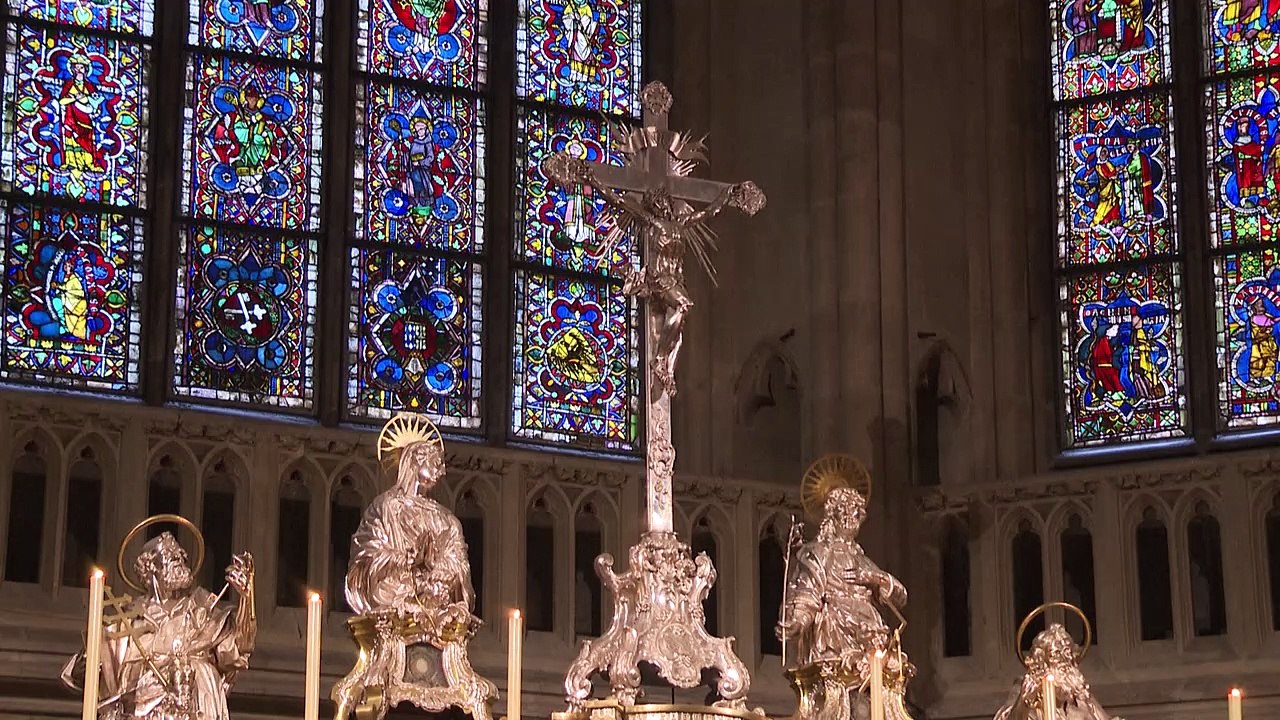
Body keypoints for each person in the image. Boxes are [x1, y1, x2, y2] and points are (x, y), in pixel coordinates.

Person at [61, 533, 256, 720]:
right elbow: (81, 674)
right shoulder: (127, 621)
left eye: (180, 555)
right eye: (170, 555)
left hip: (195, 708)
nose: (178, 558)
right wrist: (93, 653)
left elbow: (238, 649)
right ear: (151, 567)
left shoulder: (201, 610)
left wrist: (247, 599)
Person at [778, 487, 914, 720]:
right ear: (834, 517)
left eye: (857, 515)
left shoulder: (862, 560)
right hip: (834, 631)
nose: (853, 520)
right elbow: (807, 594)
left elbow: (900, 595)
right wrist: (797, 621)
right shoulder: (818, 553)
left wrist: (875, 578)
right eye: (847, 514)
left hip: (869, 633)